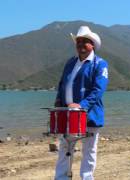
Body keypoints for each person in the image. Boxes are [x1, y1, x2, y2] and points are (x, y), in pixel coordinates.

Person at [54, 26, 109, 180]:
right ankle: (61, 178)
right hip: (67, 113)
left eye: (85, 41)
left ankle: (87, 178)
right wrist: (59, 101)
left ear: (92, 45)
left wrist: (81, 105)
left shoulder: (100, 64)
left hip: (89, 114)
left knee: (89, 150)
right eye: (78, 41)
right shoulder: (70, 62)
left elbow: (98, 90)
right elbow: (62, 84)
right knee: (65, 148)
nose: (81, 44)